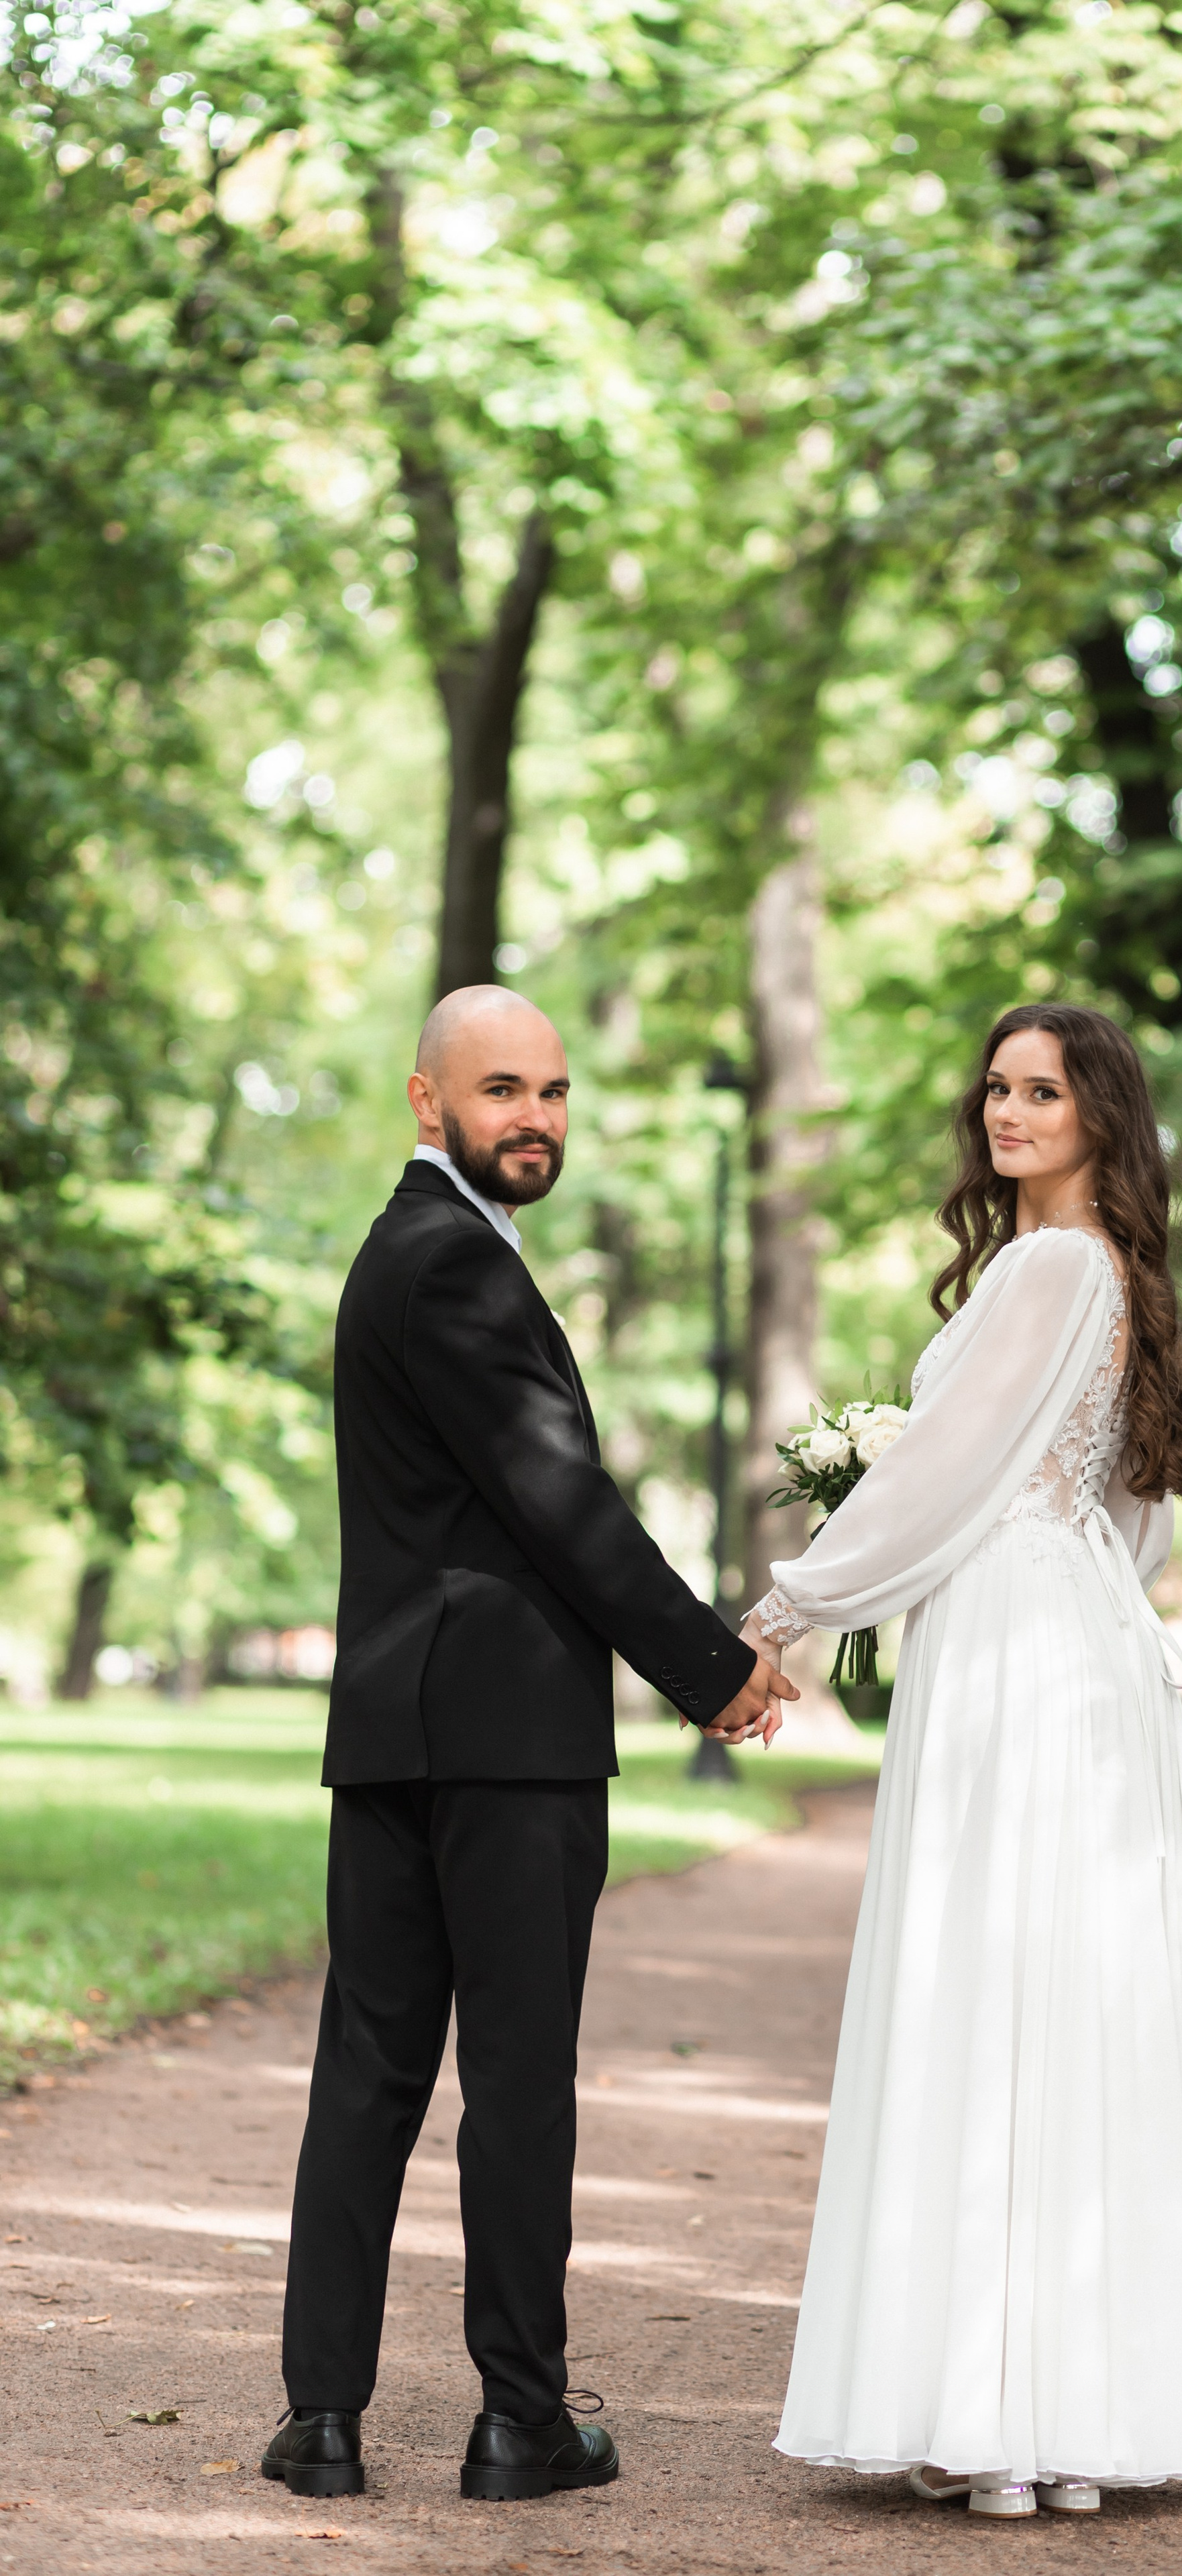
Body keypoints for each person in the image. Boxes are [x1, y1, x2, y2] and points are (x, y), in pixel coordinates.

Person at [262, 985, 795, 2505]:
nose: (536, 1119)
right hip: (504, 1747)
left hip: (393, 1731)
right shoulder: (453, 1266)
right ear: (427, 1104)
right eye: (501, 1091)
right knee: (512, 2082)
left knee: (366, 2076)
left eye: (553, 1092)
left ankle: (323, 2420)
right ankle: (519, 2421)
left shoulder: (408, 1257)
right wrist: (713, 1668)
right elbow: (565, 1509)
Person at [745, 1003, 1182, 2518]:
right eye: (994, 1087)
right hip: (1081, 1640)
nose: (1006, 1110)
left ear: (1100, 1112)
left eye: (1039, 1089)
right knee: (1072, 2000)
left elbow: (944, 1478)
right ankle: (1063, 2408)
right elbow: (1137, 1521)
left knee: (990, 1982)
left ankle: (992, 2413)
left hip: (1009, 1655)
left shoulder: (1048, 1267)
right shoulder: (1114, 1277)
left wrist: (788, 1614)